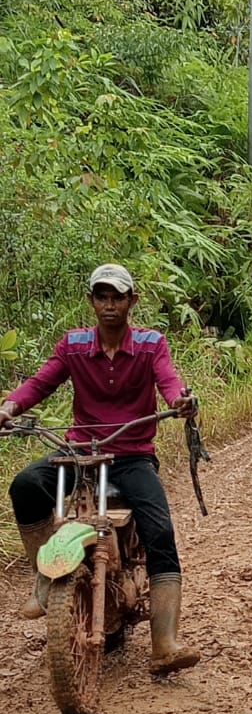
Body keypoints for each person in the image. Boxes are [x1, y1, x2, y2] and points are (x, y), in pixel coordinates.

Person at [0, 264, 199, 674]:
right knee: (25, 484)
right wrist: (8, 408)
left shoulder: (150, 344)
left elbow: (169, 381)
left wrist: (181, 401)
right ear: (91, 301)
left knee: (160, 530)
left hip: (131, 454)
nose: (109, 305)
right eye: (102, 297)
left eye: (117, 297)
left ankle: (164, 641)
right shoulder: (73, 345)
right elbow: (40, 383)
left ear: (132, 301)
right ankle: (45, 581)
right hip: (80, 452)